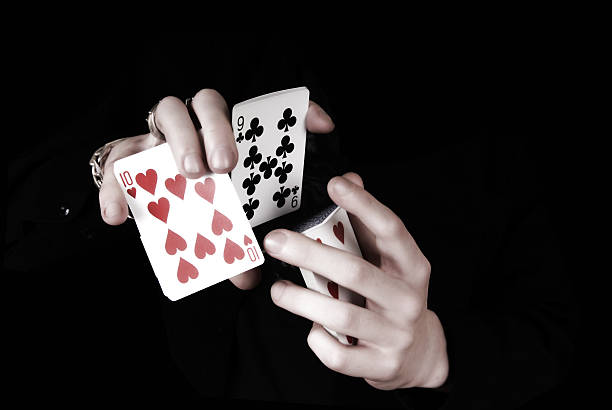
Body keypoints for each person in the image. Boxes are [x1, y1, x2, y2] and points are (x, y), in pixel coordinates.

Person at [6, 34, 575, 408]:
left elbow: (553, 333)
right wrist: (104, 170)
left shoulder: (508, 149)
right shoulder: (195, 46)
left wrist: (440, 355)